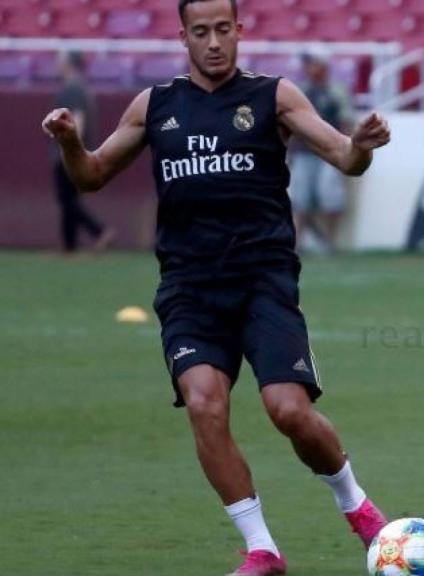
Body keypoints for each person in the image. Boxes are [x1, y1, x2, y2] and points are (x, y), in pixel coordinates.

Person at [41, 1, 391, 574]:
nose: (213, 43)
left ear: (239, 31)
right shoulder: (156, 106)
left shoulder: (274, 96)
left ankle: (357, 507)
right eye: (200, 32)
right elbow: (92, 175)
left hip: (263, 281)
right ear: (183, 36)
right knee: (205, 404)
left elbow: (342, 158)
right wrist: (70, 143)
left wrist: (361, 144)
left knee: (289, 412)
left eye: (223, 30)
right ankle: (262, 548)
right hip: (189, 287)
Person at [289, 45, 354, 255]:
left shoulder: (336, 91)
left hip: (329, 152)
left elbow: (346, 121)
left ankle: (329, 241)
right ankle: (299, 242)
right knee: (300, 198)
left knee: (330, 197)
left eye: (312, 63)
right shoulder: (301, 90)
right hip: (304, 150)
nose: (308, 67)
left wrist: (346, 150)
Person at [51, 50, 115, 254]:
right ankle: (69, 247)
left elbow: (77, 119)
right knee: (68, 201)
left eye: (60, 61)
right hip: (73, 151)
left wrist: (69, 147)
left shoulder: (73, 89)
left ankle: (99, 231)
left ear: (70, 64)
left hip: (68, 153)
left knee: (67, 200)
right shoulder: (82, 88)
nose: (56, 64)